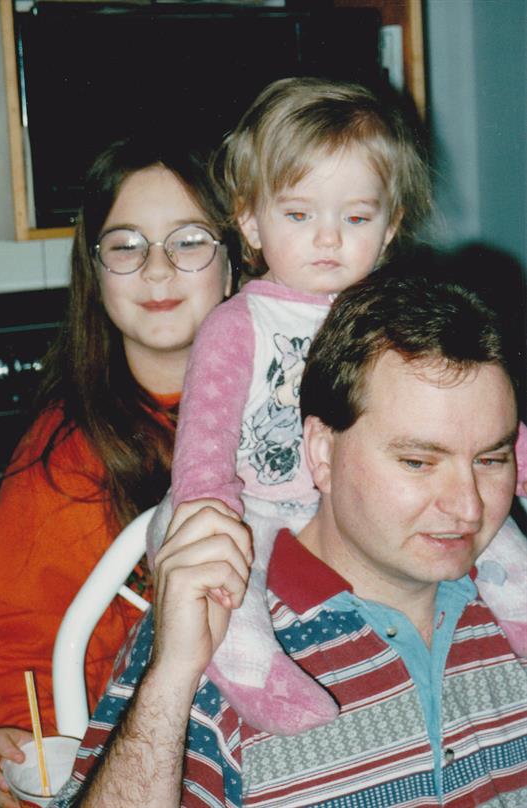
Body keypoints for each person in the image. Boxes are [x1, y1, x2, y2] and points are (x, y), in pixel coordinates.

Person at [51, 273, 527, 807]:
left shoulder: (511, 606)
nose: (468, 507)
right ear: (321, 452)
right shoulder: (221, 637)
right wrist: (171, 680)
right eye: (418, 462)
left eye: (491, 459)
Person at [165, 76, 527, 736]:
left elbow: (470, 415)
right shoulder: (237, 324)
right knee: (221, 571)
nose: (327, 241)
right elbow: (204, 435)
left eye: (355, 219)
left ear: (389, 227)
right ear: (250, 219)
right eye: (299, 216)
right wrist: (208, 502)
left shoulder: (396, 317)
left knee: (497, 529)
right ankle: (249, 669)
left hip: (366, 507)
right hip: (260, 500)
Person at [0, 131, 235, 807]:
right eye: (126, 245)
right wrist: (8, 730)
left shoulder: (301, 412)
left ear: (233, 260)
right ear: (95, 273)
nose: (156, 270)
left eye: (187, 240)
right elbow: (14, 635)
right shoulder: (65, 456)